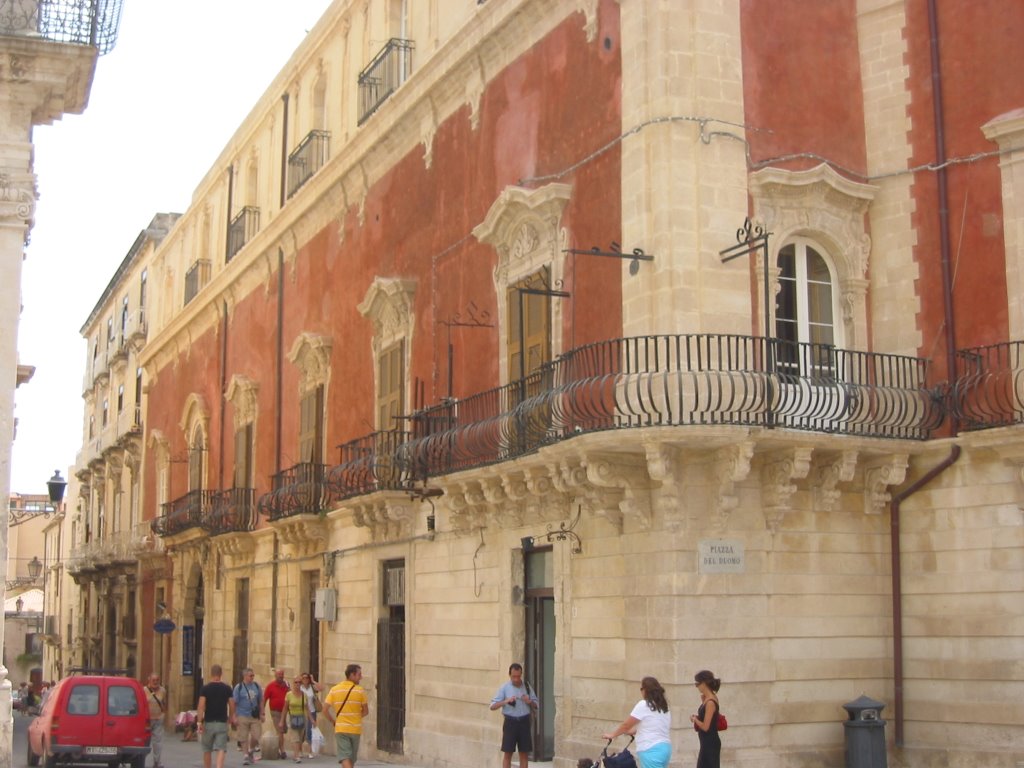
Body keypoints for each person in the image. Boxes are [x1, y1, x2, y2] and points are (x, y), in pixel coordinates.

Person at [603, 676, 672, 768]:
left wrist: (613, 735)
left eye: (641, 689)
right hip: (665, 748)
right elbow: (651, 726)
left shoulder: (644, 705)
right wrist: (629, 732)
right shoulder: (663, 707)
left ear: (645, 690)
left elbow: (626, 725)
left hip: (650, 748)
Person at [489, 663, 539, 768]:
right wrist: (506, 701)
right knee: (508, 753)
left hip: (524, 722)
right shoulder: (504, 688)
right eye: (514, 676)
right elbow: (492, 706)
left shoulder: (526, 686)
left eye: (518, 676)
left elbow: (536, 705)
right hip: (510, 723)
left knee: (524, 753)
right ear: (509, 675)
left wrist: (529, 701)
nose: (516, 679)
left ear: (521, 674)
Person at [322, 664, 369, 768]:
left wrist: (333, 721)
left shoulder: (334, 689)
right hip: (355, 729)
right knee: (350, 758)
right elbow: (365, 711)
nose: (361, 677)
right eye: (359, 674)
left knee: (345, 757)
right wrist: (356, 717)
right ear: (352, 675)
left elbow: (324, 710)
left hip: (341, 728)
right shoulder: (360, 690)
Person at [196, 664, 237, 768]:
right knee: (221, 748)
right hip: (222, 722)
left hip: (208, 722)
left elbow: (201, 706)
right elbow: (232, 704)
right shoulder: (227, 688)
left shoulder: (205, 689)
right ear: (220, 674)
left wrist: (199, 722)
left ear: (211, 674)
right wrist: (231, 717)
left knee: (207, 749)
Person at [689, 670, 722, 768]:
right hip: (706, 741)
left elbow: (706, 726)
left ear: (704, 683)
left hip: (710, 742)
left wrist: (695, 719)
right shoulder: (708, 699)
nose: (697, 687)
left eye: (697, 684)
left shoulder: (710, 702)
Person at [233, 667, 264, 765]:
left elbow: (261, 700)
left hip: (254, 715)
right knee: (243, 736)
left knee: (256, 735)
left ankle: (251, 750)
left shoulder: (256, 686)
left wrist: (262, 713)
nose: (252, 677)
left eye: (253, 675)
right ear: (245, 676)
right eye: (251, 676)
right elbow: (234, 702)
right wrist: (234, 716)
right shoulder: (239, 687)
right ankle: (246, 755)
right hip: (242, 714)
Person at [281, 676, 312, 764]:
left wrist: (312, 720)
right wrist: (282, 721)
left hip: (302, 718)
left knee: (301, 737)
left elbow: (307, 709)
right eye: (296, 682)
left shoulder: (304, 695)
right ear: (293, 683)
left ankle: (296, 754)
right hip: (292, 717)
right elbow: (285, 708)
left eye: (299, 682)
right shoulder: (289, 695)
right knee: (295, 738)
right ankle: (296, 755)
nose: (298, 684)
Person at [263, 667, 290, 758]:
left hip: (285, 711)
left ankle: (277, 747)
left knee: (282, 730)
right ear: (275, 675)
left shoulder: (286, 685)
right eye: (279, 674)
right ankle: (282, 750)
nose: (281, 676)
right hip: (275, 712)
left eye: (282, 674)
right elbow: (264, 699)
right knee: (280, 730)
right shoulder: (271, 686)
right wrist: (262, 711)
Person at [144, 672, 168, 768]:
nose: (155, 682)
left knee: (157, 742)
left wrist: (163, 715)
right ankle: (140, 760)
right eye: (153, 680)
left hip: (158, 720)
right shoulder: (144, 690)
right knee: (145, 742)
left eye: (157, 680)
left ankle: (157, 762)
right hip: (146, 721)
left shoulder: (163, 690)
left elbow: (164, 703)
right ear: (149, 680)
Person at [299, 672, 323, 757]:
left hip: (312, 711)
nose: (305, 679)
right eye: (303, 678)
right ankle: (300, 751)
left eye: (307, 678)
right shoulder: (299, 688)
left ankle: (310, 752)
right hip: (301, 712)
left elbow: (321, 689)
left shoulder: (312, 688)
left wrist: (313, 681)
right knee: (301, 731)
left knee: (310, 731)